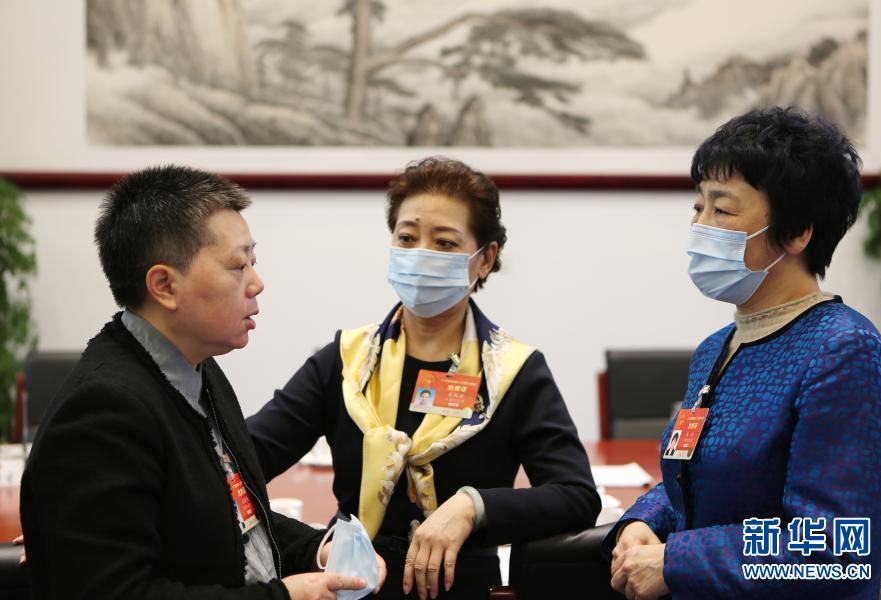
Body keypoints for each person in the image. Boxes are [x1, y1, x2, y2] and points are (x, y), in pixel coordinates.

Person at [20, 165, 384, 599]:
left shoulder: (196, 367)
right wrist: (285, 597)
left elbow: (228, 516)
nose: (257, 284)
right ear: (164, 285)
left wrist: (319, 549)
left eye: (253, 262)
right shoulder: (103, 410)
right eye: (238, 266)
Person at [247, 157, 601, 599]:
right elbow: (235, 465)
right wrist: (316, 544)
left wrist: (474, 506)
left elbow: (576, 496)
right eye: (407, 238)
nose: (420, 255)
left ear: (485, 259)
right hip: (352, 586)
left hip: (462, 588)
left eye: (445, 243)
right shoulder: (347, 361)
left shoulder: (511, 370)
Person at [608, 107, 881, 599]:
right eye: (698, 208)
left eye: (722, 211)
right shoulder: (715, 349)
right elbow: (702, 481)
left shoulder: (844, 351)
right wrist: (643, 522)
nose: (700, 226)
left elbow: (839, 552)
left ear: (798, 231)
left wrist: (677, 561)